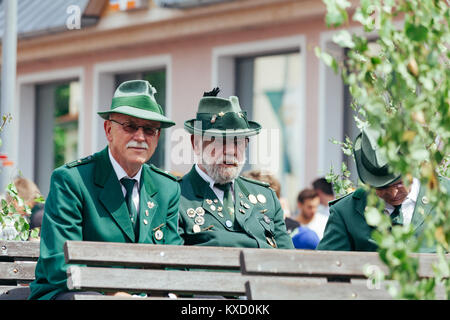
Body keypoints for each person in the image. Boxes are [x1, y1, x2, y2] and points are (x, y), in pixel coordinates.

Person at [29, 80, 183, 300]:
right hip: (74, 293)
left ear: (157, 137)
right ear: (109, 130)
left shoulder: (167, 188)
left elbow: (173, 262)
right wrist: (112, 293)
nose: (140, 137)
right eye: (130, 126)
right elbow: (59, 262)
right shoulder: (72, 180)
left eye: (149, 129)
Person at [178, 88, 293, 249]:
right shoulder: (176, 197)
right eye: (220, 140)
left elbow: (288, 260)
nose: (231, 150)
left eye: (238, 142)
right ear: (196, 144)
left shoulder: (266, 197)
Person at [317, 128, 450, 252]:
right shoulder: (346, 212)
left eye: (400, 183)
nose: (393, 193)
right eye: (382, 187)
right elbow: (326, 266)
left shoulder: (445, 195)